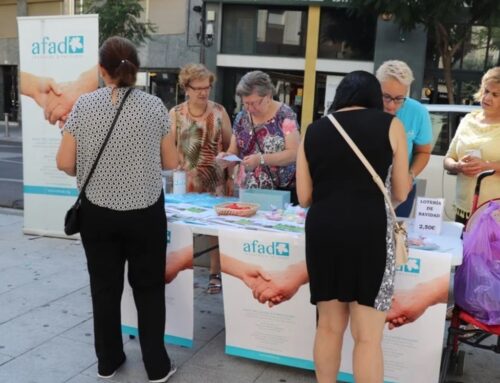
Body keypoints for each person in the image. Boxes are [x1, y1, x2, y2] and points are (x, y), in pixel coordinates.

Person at [56, 36, 177, 382]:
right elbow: (170, 162)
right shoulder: (155, 107)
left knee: (104, 288)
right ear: (136, 69)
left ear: (101, 70)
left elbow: (65, 162)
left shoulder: (83, 106)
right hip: (145, 212)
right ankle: (156, 366)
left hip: (98, 213)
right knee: (149, 288)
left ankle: (108, 361)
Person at [296, 71, 411, 382]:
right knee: (368, 337)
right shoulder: (392, 125)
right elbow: (400, 191)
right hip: (370, 231)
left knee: (329, 326)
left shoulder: (315, 129)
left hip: (323, 231)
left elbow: (304, 197)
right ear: (374, 97)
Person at [169, 63, 232, 294]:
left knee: (216, 230)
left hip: (215, 181)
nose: (203, 92)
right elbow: (170, 148)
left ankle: (215, 274)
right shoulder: (176, 114)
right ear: (186, 87)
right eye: (198, 88)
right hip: (186, 182)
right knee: (184, 230)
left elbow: (228, 143)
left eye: (206, 87)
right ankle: (184, 273)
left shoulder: (219, 111)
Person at [217, 70, 301, 204]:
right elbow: (234, 150)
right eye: (246, 103)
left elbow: (294, 153)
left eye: (255, 103)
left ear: (268, 96)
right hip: (248, 192)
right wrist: (226, 158)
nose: (250, 108)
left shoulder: (285, 115)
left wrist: (261, 159)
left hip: (281, 194)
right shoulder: (241, 118)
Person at [443, 66, 500, 225]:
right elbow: (448, 159)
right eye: (486, 91)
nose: (487, 98)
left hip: (495, 214)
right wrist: (458, 166)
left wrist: (485, 166)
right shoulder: (468, 120)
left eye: (495, 94)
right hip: (464, 209)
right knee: (460, 250)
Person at [376, 60, 433, 217]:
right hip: (368, 186)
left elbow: (423, 152)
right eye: (386, 97)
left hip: (401, 188)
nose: (391, 106)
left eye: (399, 98)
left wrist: (410, 175)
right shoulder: (367, 108)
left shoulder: (418, 112)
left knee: (396, 236)